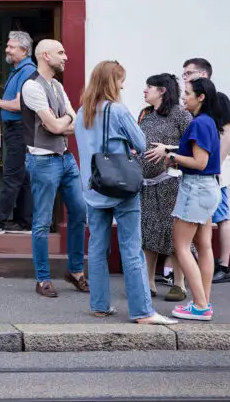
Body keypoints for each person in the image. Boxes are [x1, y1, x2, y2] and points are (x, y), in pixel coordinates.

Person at [74, 60, 177, 325]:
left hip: (93, 187)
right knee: (131, 249)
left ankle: (99, 305)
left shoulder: (81, 112)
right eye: (120, 80)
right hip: (121, 187)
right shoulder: (117, 110)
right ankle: (143, 311)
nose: (123, 84)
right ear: (111, 82)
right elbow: (141, 144)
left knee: (97, 248)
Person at [146, 77, 223, 321]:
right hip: (209, 188)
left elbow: (199, 163)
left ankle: (200, 306)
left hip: (195, 189)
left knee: (181, 246)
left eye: (188, 93)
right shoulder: (209, 121)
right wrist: (173, 151)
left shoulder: (199, 123)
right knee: (204, 246)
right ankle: (203, 302)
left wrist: (172, 158)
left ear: (201, 98)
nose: (183, 97)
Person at [20, 39, 88, 297]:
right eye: (61, 52)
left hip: (65, 157)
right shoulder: (31, 86)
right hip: (43, 160)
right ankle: (42, 279)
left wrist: (63, 121)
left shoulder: (57, 85)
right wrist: (65, 121)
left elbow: (72, 124)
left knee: (80, 211)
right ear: (45, 56)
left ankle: (75, 271)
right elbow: (59, 126)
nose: (66, 57)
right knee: (42, 221)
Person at [138, 74, 193, 302]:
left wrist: (167, 149)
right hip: (147, 184)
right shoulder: (145, 114)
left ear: (161, 90)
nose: (144, 91)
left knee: (174, 234)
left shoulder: (180, 114)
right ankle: (148, 282)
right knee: (147, 231)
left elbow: (193, 145)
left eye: (148, 87)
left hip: (172, 182)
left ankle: (179, 284)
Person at [181, 58, 230, 283]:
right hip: (205, 168)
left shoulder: (219, 99)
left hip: (212, 170)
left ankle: (223, 265)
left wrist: (217, 166)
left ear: (203, 75)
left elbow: (229, 133)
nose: (185, 77)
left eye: (189, 73)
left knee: (222, 215)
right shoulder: (195, 105)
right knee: (205, 226)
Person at [0, 31, 35, 237]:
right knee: (23, 176)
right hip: (16, 130)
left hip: (19, 130)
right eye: (8, 46)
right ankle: (25, 222)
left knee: (12, 176)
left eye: (11, 47)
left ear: (24, 50)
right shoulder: (17, 70)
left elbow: (21, 104)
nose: (7, 49)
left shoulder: (27, 71)